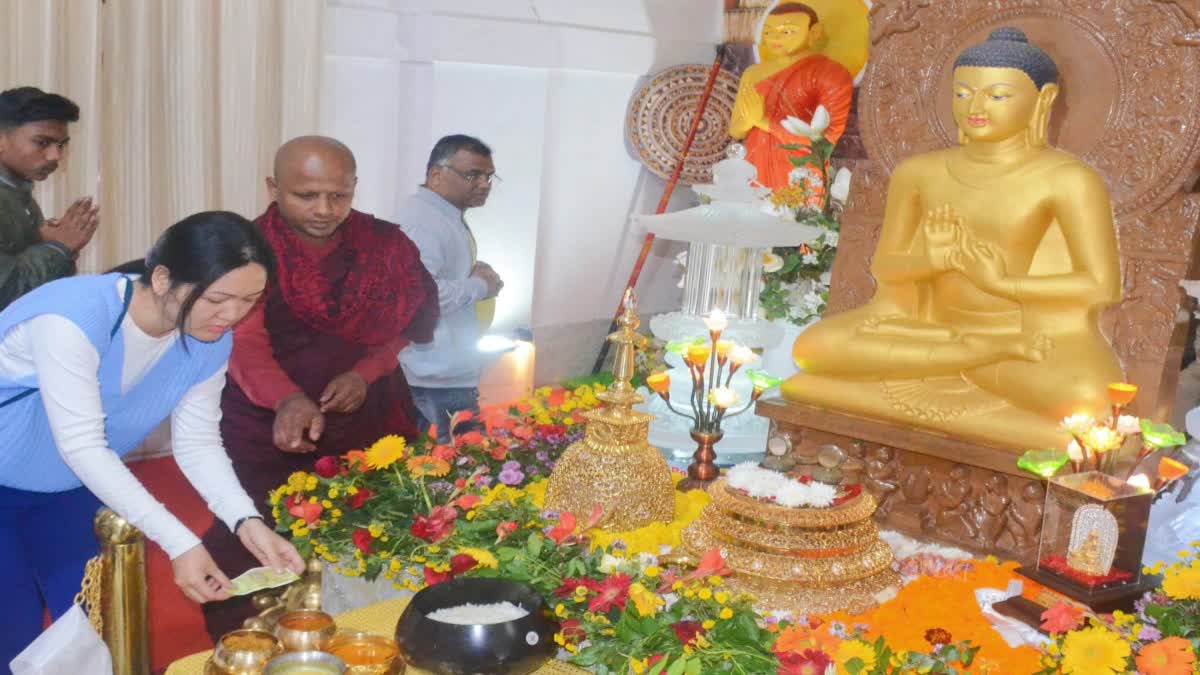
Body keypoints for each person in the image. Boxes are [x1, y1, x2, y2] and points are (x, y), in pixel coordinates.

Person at [782, 28, 1124, 450]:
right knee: (812, 349)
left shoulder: (1068, 180)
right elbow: (886, 268)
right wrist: (930, 259)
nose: (975, 108)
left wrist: (1001, 283)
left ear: (1044, 100)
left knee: (1086, 401)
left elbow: (1100, 285)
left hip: (1029, 333)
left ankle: (966, 357)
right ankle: (975, 356)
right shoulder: (918, 173)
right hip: (926, 327)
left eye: (997, 96)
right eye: (963, 94)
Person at [0, 211, 304, 667]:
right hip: (19, 481)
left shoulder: (208, 339)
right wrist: (180, 543)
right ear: (162, 279)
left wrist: (246, 521)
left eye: (249, 300)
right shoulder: (72, 317)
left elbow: (198, 442)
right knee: (13, 633)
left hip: (65, 489)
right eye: (218, 298)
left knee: (85, 633)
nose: (232, 315)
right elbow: (83, 445)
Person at [203, 136, 437, 637]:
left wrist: (366, 373)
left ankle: (368, 635)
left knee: (377, 530)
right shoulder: (244, 248)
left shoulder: (387, 246)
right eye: (306, 196)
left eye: (339, 195)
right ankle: (246, 648)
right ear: (273, 188)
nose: (324, 210)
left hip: (368, 415)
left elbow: (407, 320)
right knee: (246, 532)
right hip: (265, 419)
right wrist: (286, 400)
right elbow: (242, 339)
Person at [398, 135, 504, 443]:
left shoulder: (442, 215)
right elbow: (420, 296)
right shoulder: (422, 222)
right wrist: (480, 285)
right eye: (472, 175)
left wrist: (472, 277)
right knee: (450, 473)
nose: (484, 184)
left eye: (488, 176)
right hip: (432, 378)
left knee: (462, 471)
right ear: (436, 175)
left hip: (447, 370)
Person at [728, 3, 855, 190]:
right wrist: (748, 121)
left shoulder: (830, 73)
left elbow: (824, 142)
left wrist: (763, 120)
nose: (775, 38)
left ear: (814, 32)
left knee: (795, 216)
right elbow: (736, 130)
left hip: (799, 171)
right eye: (769, 32)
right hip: (754, 163)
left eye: (787, 32)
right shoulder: (753, 74)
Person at [0, 87, 100, 309]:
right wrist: (58, 247)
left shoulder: (18, 193)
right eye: (42, 143)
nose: (56, 156)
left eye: (61, 145)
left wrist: (40, 241)